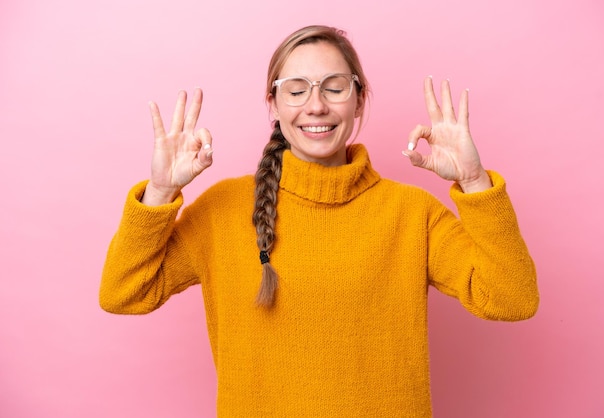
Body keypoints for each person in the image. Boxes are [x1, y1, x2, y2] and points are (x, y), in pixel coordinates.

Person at [100, 25, 539, 417]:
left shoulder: (412, 213)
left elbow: (512, 298)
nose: (315, 105)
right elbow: (123, 293)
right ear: (273, 103)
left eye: (334, 87)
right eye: (296, 89)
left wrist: (475, 181)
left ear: (359, 98)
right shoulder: (223, 209)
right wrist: (159, 192)